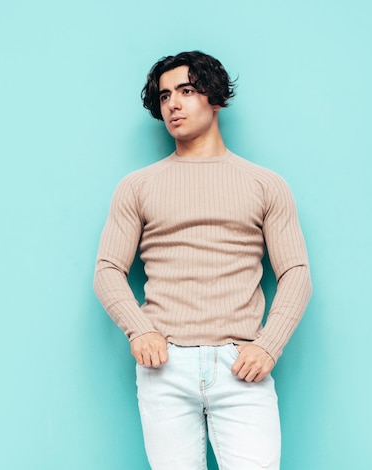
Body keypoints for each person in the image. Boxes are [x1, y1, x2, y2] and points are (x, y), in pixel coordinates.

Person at [93, 51, 312, 470]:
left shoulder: (266, 184)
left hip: (241, 365)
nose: (173, 103)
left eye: (187, 91)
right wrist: (139, 331)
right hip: (165, 363)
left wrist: (269, 345)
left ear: (215, 98)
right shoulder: (136, 187)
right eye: (164, 96)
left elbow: (296, 273)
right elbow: (107, 270)